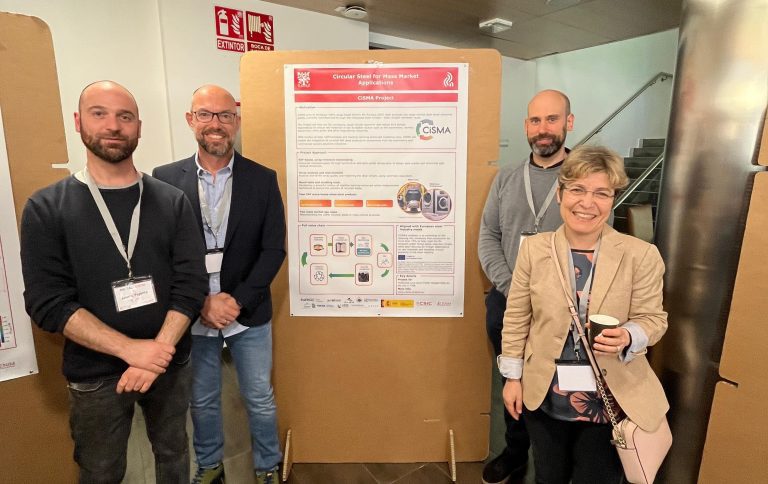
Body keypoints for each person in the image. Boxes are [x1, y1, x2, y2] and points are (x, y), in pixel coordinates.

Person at [20, 80, 208, 483]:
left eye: (125, 117)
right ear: (78, 122)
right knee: (101, 470)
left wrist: (156, 352)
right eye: (99, 113)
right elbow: (48, 302)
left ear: (139, 127)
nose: (113, 126)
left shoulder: (171, 201)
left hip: (169, 362)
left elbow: (191, 285)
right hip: (95, 372)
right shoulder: (47, 207)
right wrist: (130, 350)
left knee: (174, 453)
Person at [499, 145, 669, 483]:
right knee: (548, 475)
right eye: (577, 189)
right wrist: (512, 378)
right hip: (545, 392)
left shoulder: (641, 255)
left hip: (610, 395)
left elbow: (654, 319)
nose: (587, 203)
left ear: (613, 199)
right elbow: (517, 317)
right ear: (560, 193)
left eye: (601, 193)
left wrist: (629, 335)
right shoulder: (534, 249)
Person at [153, 85, 286, 484]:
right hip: (191, 314)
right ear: (190, 119)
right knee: (202, 400)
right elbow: (161, 254)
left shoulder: (262, 179)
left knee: (260, 398)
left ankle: (267, 467)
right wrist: (201, 303)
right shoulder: (164, 179)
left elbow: (273, 249)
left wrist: (236, 301)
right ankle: (210, 466)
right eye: (206, 114)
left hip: (248, 312)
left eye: (225, 115)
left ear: (236, 122)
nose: (216, 123)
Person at [478, 89, 574, 483]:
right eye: (536, 120)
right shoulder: (506, 177)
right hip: (507, 303)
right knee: (511, 379)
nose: (543, 129)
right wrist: (512, 287)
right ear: (526, 126)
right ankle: (516, 453)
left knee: (557, 383)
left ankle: (555, 463)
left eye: (552, 119)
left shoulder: (582, 180)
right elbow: (488, 235)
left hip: (561, 308)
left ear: (569, 123)